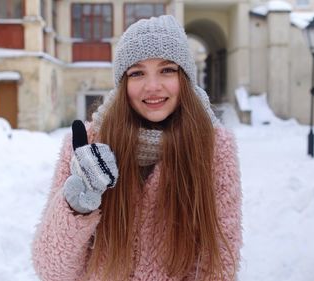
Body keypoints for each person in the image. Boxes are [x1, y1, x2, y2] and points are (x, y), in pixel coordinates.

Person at [32, 15, 242, 281]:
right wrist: (76, 206)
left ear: (185, 78)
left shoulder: (212, 147)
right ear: (123, 83)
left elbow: (219, 266)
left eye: (167, 70)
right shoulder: (89, 145)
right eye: (137, 73)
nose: (152, 87)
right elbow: (51, 270)